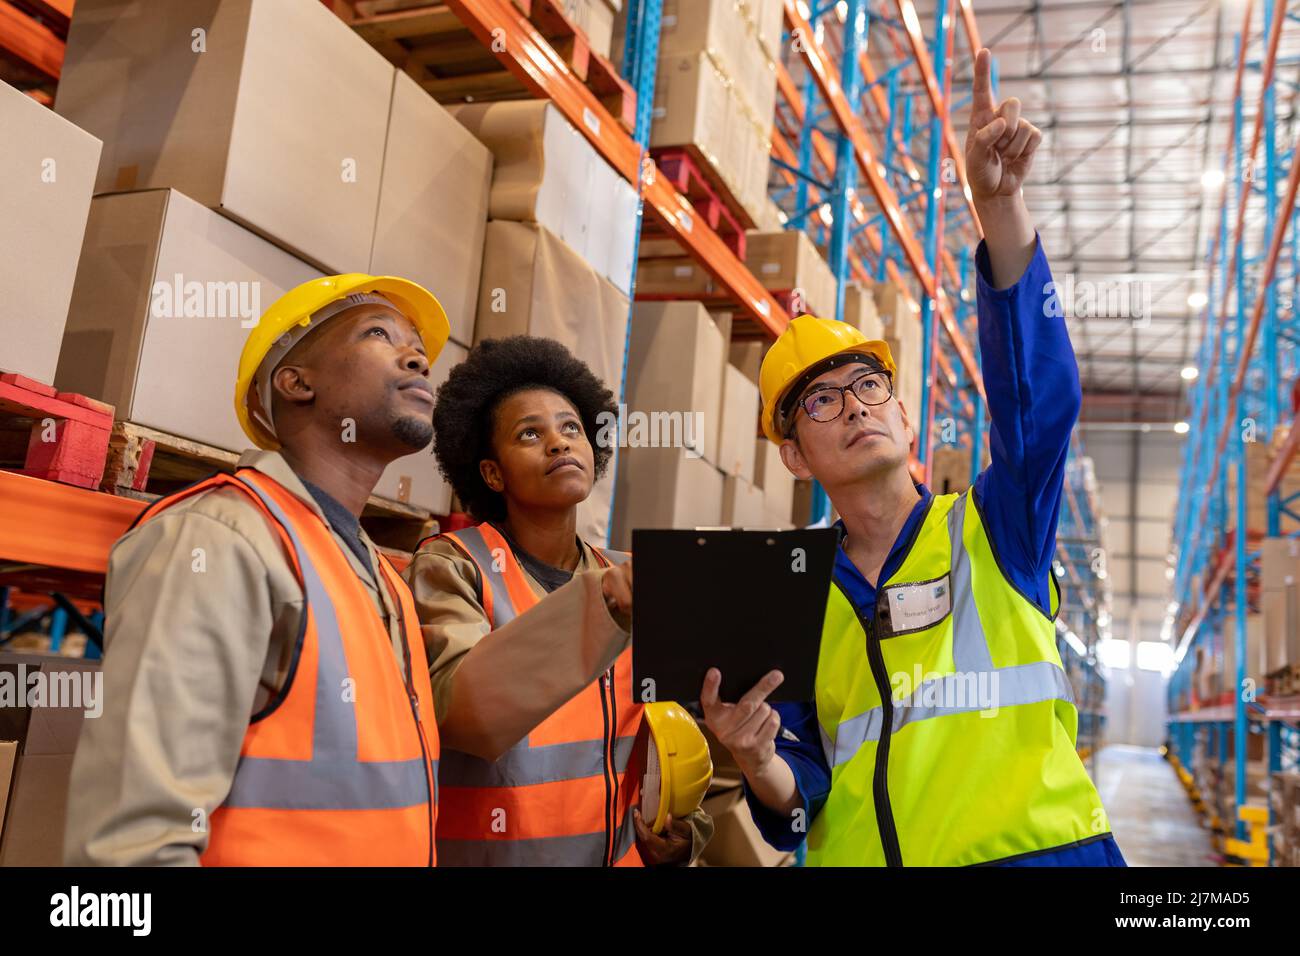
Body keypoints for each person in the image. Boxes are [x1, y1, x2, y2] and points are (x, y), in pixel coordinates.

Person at [700, 49, 1126, 867]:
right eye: (822, 401)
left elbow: (1041, 403)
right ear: (793, 456)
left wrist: (1000, 214)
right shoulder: (783, 594)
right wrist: (756, 762)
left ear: (902, 412)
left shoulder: (996, 532)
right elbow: (802, 791)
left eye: (868, 386)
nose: (854, 405)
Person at [63, 275, 633, 866]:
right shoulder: (221, 537)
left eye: (416, 345)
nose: (417, 357)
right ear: (296, 382)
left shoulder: (378, 577)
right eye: (380, 334)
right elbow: (130, 848)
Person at [406, 335, 712, 866]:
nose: (559, 443)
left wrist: (685, 833)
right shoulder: (453, 565)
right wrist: (604, 612)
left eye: (572, 428)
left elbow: (669, 736)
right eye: (531, 433)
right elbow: (463, 713)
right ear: (492, 473)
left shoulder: (632, 576)